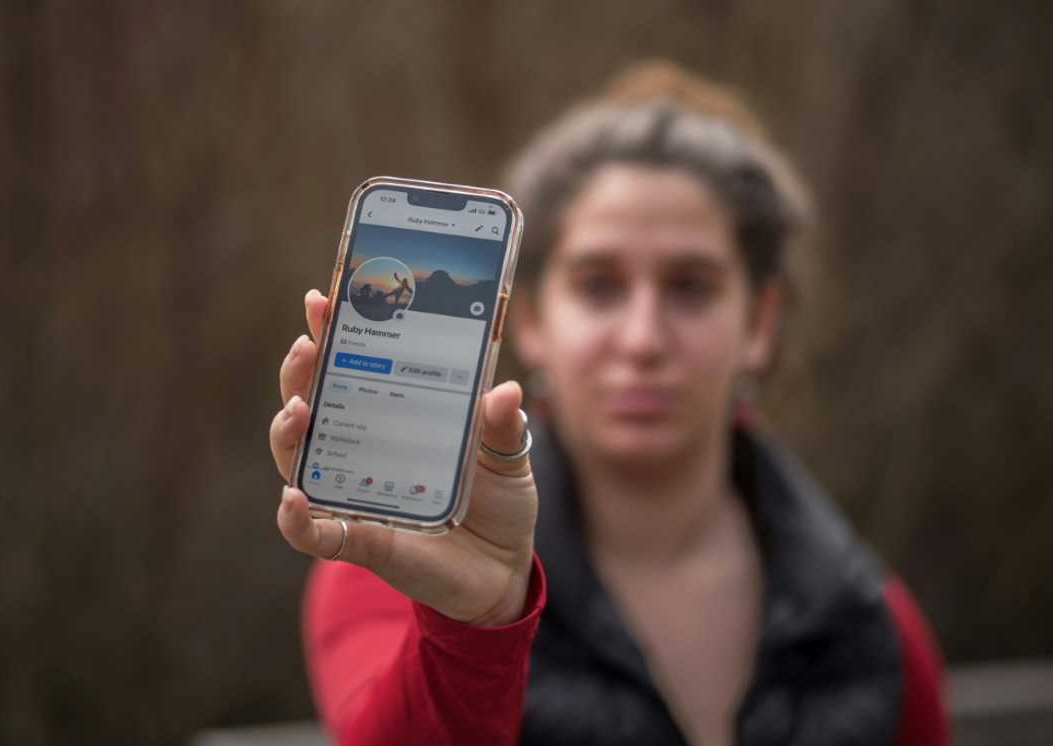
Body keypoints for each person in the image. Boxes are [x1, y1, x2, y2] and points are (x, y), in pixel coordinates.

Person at [268, 62, 949, 745]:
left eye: (691, 287)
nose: (643, 339)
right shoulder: (398, 570)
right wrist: (474, 630)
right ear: (530, 320)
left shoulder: (871, 629)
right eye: (598, 286)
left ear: (760, 323)